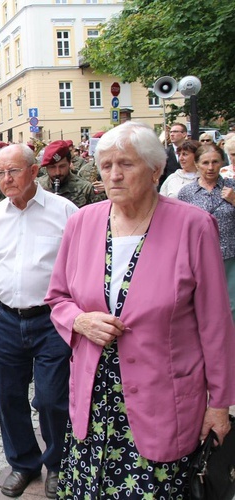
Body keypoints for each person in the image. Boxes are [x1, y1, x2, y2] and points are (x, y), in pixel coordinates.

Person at [45, 121, 235, 498]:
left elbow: (215, 323)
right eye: (106, 165)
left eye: (126, 164)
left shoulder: (193, 226)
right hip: (95, 397)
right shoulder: (83, 223)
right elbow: (58, 298)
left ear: (154, 169)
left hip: (164, 397)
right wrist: (79, 320)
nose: (113, 175)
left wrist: (220, 404)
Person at [0, 144, 78, 498]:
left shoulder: (65, 212)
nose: (6, 179)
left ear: (33, 171)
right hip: (8, 319)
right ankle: (24, 464)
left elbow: (82, 268)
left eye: (13, 171)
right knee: (9, 396)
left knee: (50, 398)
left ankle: (57, 463)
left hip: (52, 319)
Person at [178, 143, 235, 322]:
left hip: (230, 256)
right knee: (203, 304)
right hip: (199, 258)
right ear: (197, 164)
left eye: (215, 162)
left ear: (222, 163)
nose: (210, 167)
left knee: (231, 305)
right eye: (205, 163)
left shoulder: (232, 187)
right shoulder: (187, 193)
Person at [37, 140, 100, 207]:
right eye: (52, 167)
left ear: (69, 163)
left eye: (62, 166)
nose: (57, 172)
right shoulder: (38, 187)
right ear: (46, 167)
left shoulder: (85, 188)